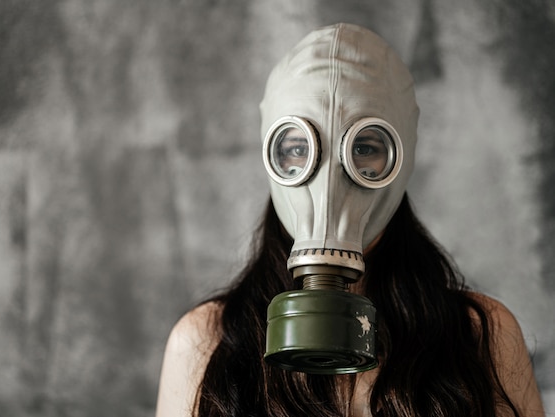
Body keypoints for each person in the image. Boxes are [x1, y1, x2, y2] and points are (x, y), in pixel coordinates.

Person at [155, 23, 546, 417]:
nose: (329, 184)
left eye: (364, 147)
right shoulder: (204, 343)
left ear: (402, 158)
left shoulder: (483, 337)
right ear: (272, 159)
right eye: (297, 149)